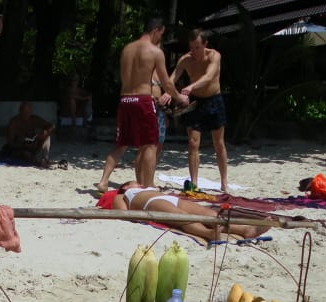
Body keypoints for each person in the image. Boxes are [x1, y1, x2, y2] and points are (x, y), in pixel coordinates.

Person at [96, 17, 188, 192]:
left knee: (121, 143)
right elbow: (166, 83)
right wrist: (179, 97)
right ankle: (148, 185)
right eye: (161, 34)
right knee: (150, 144)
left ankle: (103, 181)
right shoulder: (155, 52)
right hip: (143, 101)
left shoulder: (127, 49)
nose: (160, 38)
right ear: (156, 31)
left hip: (124, 100)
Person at [101, 180, 270, 243]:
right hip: (150, 202)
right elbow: (123, 214)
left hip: (169, 199)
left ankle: (245, 230)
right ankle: (208, 234)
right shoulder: (123, 194)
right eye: (135, 183)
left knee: (210, 214)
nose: (139, 184)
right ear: (126, 186)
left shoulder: (145, 188)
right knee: (183, 218)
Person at [170, 28, 228, 193]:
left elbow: (209, 76)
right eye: (191, 47)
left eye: (197, 47)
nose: (194, 51)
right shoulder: (186, 60)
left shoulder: (214, 56)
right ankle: (194, 182)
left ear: (205, 44)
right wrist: (168, 92)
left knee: (219, 143)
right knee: (193, 143)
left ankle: (224, 182)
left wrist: (190, 86)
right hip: (195, 103)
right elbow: (173, 77)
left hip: (214, 100)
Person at [96, 69, 170, 192]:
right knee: (145, 146)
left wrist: (166, 101)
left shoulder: (156, 66)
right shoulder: (143, 65)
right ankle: (144, 183)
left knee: (155, 146)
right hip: (145, 106)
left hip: (156, 109)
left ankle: (142, 181)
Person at [1, 101, 54, 167]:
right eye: (25, 112)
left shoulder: (34, 119)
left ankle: (44, 158)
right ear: (20, 111)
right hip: (18, 149)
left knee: (47, 137)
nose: (27, 114)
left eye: (29, 112)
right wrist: (21, 144)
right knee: (26, 153)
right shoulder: (14, 123)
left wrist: (45, 132)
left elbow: (51, 126)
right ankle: (37, 163)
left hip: (32, 146)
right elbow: (10, 143)